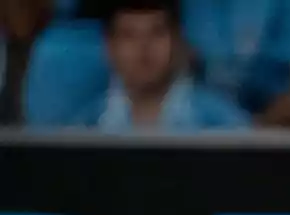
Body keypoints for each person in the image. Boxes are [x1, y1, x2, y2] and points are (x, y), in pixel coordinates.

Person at [71, 0, 247, 130]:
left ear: (178, 41)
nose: (143, 47)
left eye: (157, 32)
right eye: (129, 35)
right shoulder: (86, 127)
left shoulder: (223, 124)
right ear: (109, 47)